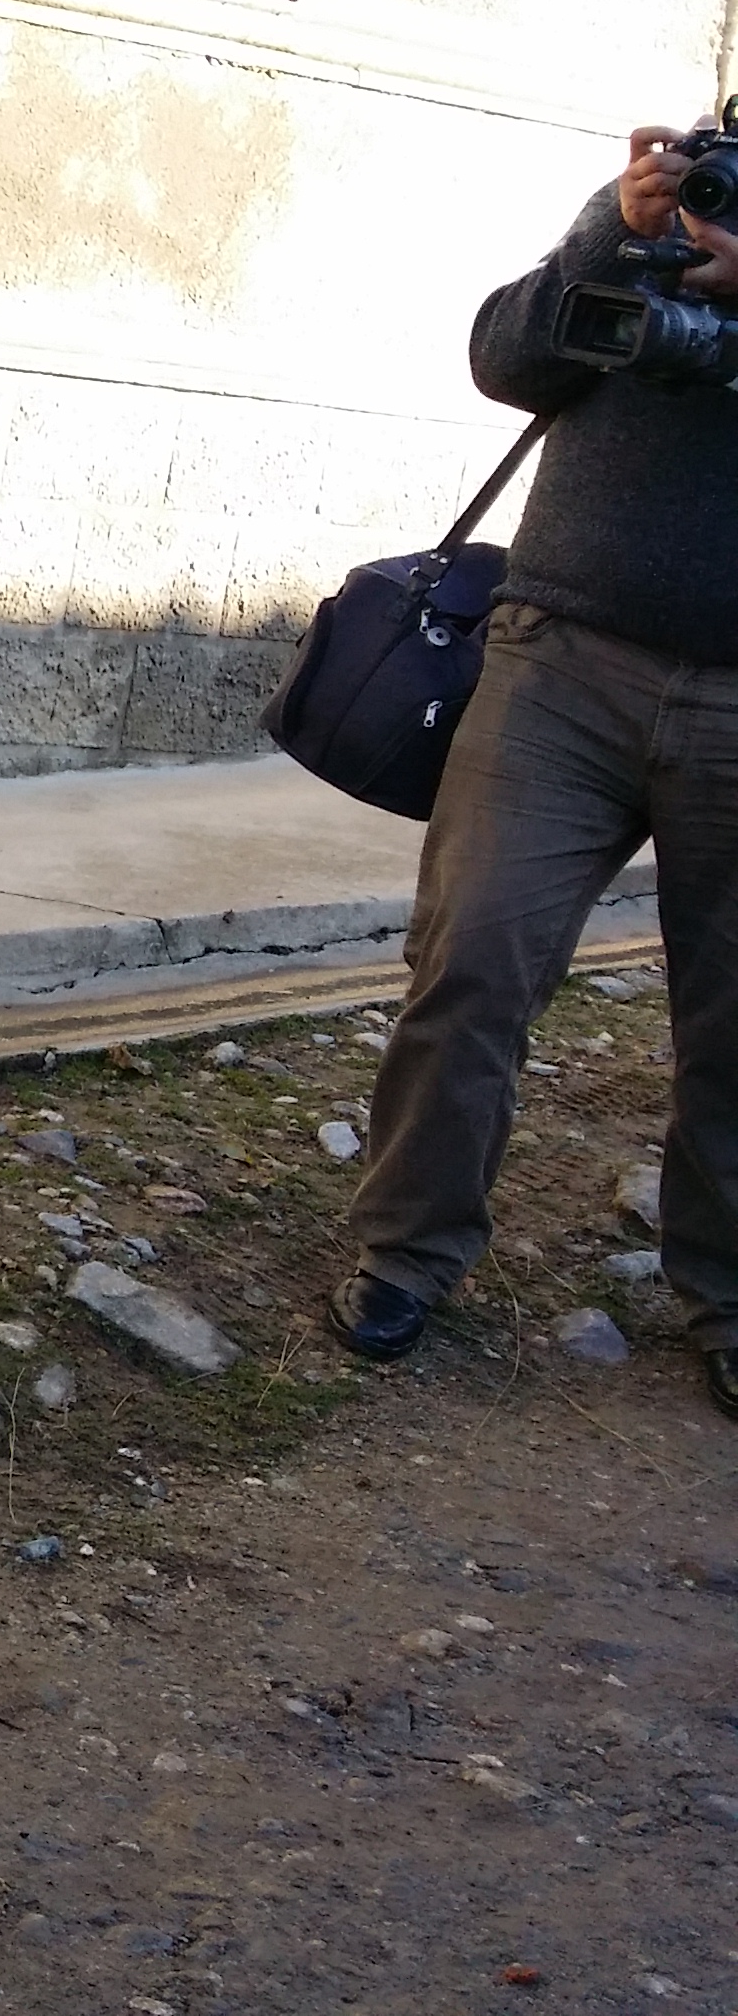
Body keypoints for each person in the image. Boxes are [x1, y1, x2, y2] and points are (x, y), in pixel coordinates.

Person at [326, 121, 738, 1407]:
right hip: (562, 660)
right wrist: (618, 230)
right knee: (471, 963)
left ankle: (728, 1299)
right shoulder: (663, 213)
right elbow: (502, 357)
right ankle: (406, 1254)